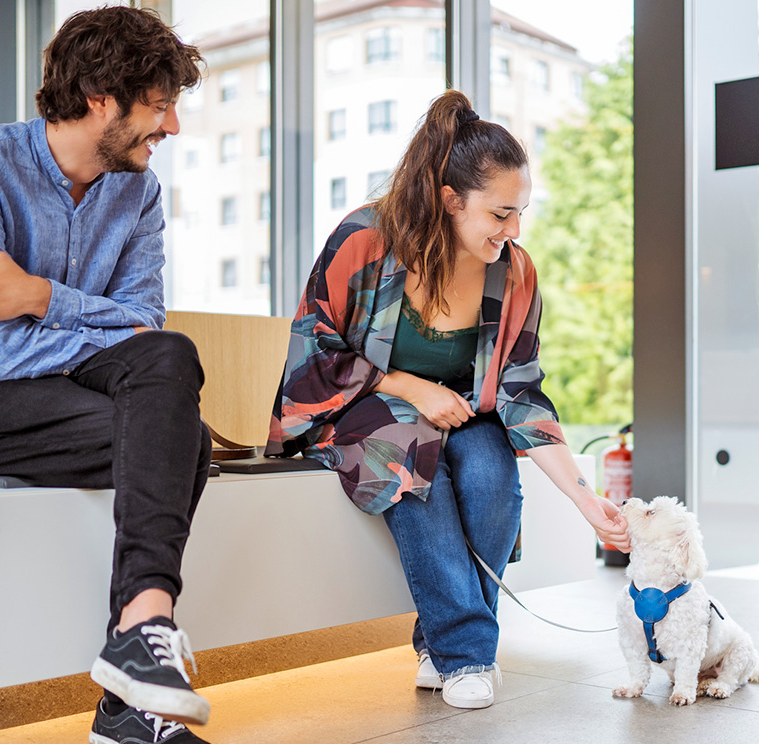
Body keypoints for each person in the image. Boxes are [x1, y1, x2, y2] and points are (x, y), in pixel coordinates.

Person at [0, 7, 222, 744]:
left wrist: (40, 294)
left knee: (171, 357)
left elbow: (145, 327)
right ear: (104, 96)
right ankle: (131, 707)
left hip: (68, 382)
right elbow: (1, 355)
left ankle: (142, 630)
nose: (171, 126)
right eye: (160, 103)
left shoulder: (137, 194)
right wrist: (84, 326)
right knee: (183, 442)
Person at [266, 90, 633, 710]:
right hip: (360, 409)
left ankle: (443, 642)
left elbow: (519, 388)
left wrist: (583, 498)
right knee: (412, 463)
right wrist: (408, 386)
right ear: (450, 200)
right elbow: (314, 351)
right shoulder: (363, 240)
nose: (513, 231)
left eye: (520, 214)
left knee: (493, 478)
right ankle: (465, 655)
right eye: (499, 215)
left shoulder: (514, 271)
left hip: (462, 411)